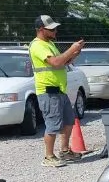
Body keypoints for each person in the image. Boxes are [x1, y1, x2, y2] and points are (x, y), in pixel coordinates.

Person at [28, 15, 86, 167]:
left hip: (59, 90)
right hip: (48, 91)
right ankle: (48, 156)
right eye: (51, 29)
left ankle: (65, 151)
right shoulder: (37, 45)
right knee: (53, 124)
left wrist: (74, 54)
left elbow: (62, 62)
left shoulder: (49, 44)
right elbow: (55, 62)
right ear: (41, 29)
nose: (55, 31)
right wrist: (71, 49)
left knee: (68, 120)